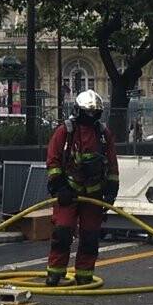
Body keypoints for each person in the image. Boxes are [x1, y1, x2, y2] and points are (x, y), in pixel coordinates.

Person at [44, 89, 119, 286]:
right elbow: (53, 161)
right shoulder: (65, 132)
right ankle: (55, 272)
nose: (91, 116)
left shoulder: (103, 134)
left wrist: (111, 192)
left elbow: (112, 165)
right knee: (62, 231)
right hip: (69, 191)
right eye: (87, 112)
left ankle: (85, 273)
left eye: (94, 112)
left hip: (94, 194)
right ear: (78, 110)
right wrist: (60, 187)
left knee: (90, 235)